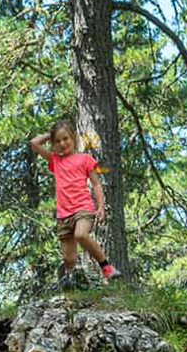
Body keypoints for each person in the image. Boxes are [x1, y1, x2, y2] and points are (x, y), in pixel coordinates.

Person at [30, 118, 121, 285]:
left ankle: (106, 267)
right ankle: (73, 283)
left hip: (82, 208)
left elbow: (96, 183)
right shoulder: (55, 161)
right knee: (68, 259)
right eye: (57, 141)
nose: (62, 143)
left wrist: (101, 206)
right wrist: (49, 136)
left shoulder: (84, 159)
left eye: (65, 138)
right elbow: (34, 143)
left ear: (73, 137)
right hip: (63, 214)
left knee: (81, 234)